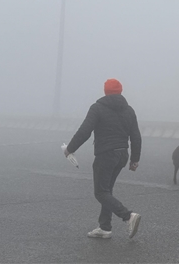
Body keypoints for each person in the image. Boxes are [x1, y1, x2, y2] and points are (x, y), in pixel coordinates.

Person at [64, 78, 142, 239]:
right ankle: (105, 227)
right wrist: (135, 159)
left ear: (105, 91)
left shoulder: (98, 108)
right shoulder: (129, 110)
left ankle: (128, 216)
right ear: (120, 91)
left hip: (106, 155)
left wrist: (70, 149)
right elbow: (136, 136)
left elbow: (84, 131)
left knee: (100, 192)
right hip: (122, 155)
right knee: (107, 191)